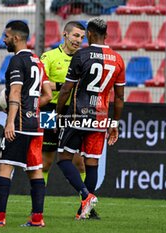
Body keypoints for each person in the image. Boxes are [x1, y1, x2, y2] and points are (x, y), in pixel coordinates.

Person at [0, 20, 52, 227]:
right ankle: (37, 219)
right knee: (35, 170)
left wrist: (10, 121)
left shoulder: (16, 61)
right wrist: (32, 107)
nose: (4, 40)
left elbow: (14, 92)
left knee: (4, 167)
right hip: (35, 125)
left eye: (6, 36)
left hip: (19, 124)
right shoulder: (38, 61)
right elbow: (47, 94)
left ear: (17, 38)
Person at [56, 17, 125, 220]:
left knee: (63, 158)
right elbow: (119, 97)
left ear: (89, 34)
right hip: (101, 118)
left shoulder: (81, 55)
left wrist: (59, 114)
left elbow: (66, 89)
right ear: (106, 35)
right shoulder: (118, 59)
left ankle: (86, 196)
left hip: (78, 115)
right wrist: (114, 122)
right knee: (91, 163)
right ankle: (84, 211)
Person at [40, 21, 86, 185]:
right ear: (65, 34)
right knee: (46, 162)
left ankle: (85, 205)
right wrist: (64, 86)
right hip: (49, 110)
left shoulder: (84, 58)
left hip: (74, 110)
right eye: (75, 35)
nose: (78, 40)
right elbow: (40, 82)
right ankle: (38, 206)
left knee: (80, 163)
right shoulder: (49, 56)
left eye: (82, 37)